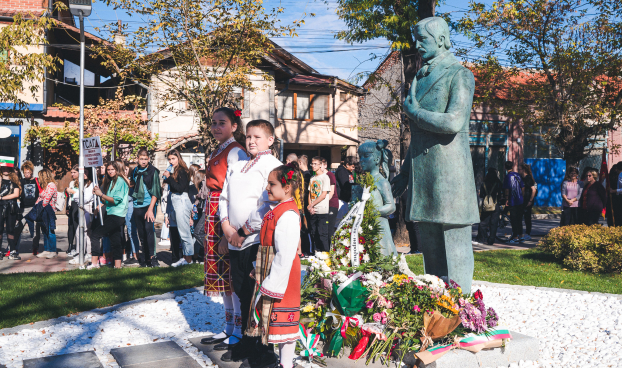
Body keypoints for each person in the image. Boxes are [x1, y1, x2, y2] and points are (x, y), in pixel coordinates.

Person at [219, 119, 280, 365]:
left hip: (256, 239)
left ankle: (262, 346)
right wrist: (226, 226)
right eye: (249, 137)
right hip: (233, 238)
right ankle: (246, 338)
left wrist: (243, 230)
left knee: (258, 293)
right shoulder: (239, 164)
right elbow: (225, 196)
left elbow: (268, 203)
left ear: (270, 140)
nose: (252, 141)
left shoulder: (273, 165)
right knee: (243, 291)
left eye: (257, 137)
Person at [200, 107, 249, 350]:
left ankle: (238, 329)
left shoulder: (236, 151)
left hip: (225, 213)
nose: (217, 127)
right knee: (222, 275)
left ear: (234, 126)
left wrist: (226, 226)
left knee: (230, 274)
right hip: (214, 210)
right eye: (214, 122)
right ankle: (228, 326)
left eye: (222, 123)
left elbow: (234, 191)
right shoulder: (220, 149)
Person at [245, 162, 302, 368]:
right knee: (274, 324)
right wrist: (258, 267)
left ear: (286, 187)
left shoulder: (287, 214)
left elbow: (285, 255)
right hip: (272, 272)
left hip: (282, 277)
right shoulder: (277, 209)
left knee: (283, 324)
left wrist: (271, 283)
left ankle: (286, 365)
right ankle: (283, 363)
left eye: (272, 184)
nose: (267, 188)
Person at [90, 161, 129, 269]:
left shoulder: (120, 181)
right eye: (108, 170)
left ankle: (94, 264)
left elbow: (115, 200)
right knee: (115, 240)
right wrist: (99, 194)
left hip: (117, 215)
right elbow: (108, 201)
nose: (110, 172)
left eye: (112, 169)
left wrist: (101, 194)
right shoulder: (112, 181)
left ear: (117, 170)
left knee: (95, 234)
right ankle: (117, 266)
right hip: (111, 213)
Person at [130, 150, 161, 267]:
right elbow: (133, 184)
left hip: (149, 205)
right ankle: (145, 258)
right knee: (141, 233)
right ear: (137, 159)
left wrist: (150, 209)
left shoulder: (153, 172)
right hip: (137, 204)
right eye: (141, 159)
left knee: (149, 230)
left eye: (145, 159)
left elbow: (156, 191)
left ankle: (153, 258)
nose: (143, 161)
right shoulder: (135, 171)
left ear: (149, 159)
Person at [163, 149, 193, 267]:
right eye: (169, 159)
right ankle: (185, 257)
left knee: (184, 231)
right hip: (176, 200)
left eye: (173, 159)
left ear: (178, 158)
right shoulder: (175, 170)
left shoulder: (182, 170)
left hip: (181, 199)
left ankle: (188, 259)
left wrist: (169, 177)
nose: (171, 161)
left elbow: (180, 188)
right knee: (180, 231)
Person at [308, 156, 331, 253]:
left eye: (315, 164)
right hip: (313, 210)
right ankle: (316, 253)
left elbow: (323, 194)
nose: (313, 166)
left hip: (322, 209)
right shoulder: (312, 178)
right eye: (312, 164)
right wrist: (310, 207)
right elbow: (310, 193)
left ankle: (326, 253)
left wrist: (312, 204)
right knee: (314, 233)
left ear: (321, 165)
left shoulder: (325, 177)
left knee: (322, 233)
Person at [33, 169, 57, 259]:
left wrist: (39, 208)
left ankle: (53, 250)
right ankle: (47, 249)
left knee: (50, 231)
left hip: (49, 212)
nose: (39, 179)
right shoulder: (45, 186)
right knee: (44, 231)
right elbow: (40, 198)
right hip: (42, 212)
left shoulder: (51, 185)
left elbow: (46, 199)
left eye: (40, 176)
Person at [475, 168, 503, 245]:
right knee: (493, 224)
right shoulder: (498, 182)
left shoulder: (484, 183)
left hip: (486, 205)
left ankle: (481, 239)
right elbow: (501, 192)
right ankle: (491, 240)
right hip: (495, 204)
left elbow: (481, 195)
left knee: (483, 223)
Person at [0, 164, 21, 260]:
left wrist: (2, 197)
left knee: (10, 229)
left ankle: (12, 251)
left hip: (11, 207)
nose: (5, 170)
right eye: (3, 168)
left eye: (7, 168)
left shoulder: (14, 180)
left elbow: (16, 194)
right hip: (0, 207)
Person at [17, 161, 39, 253]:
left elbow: (40, 193)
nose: (26, 174)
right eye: (25, 172)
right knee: (18, 228)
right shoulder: (21, 181)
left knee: (34, 229)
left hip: (34, 207)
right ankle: (14, 248)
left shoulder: (36, 180)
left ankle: (35, 248)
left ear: (32, 172)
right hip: (23, 208)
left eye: (28, 172)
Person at [502, 161, 524, 243]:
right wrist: (522, 197)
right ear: (512, 166)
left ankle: (515, 237)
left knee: (514, 219)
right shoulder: (518, 175)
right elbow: (523, 187)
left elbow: (507, 189)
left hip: (512, 200)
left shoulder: (508, 177)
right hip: (520, 200)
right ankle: (521, 235)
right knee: (519, 219)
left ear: (505, 167)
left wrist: (506, 199)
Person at [123, 162, 140, 263]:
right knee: (129, 232)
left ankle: (136, 255)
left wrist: (122, 176)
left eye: (126, 169)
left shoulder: (134, 179)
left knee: (132, 231)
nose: (124, 171)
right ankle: (131, 253)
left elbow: (130, 184)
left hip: (131, 205)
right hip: (125, 205)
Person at [335, 156, 355, 222]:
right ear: (347, 165)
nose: (353, 168)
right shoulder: (341, 171)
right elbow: (345, 184)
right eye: (352, 166)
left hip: (346, 200)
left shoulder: (348, 171)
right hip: (341, 199)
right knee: (339, 220)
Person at [520, 163, 537, 241]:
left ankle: (528, 233)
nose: (518, 171)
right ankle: (521, 234)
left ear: (523, 170)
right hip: (522, 200)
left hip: (527, 200)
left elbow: (533, 190)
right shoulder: (521, 178)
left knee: (527, 218)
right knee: (520, 217)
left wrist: (530, 200)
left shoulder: (528, 178)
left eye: (519, 169)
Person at [323, 158, 339, 238]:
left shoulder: (330, 175)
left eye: (320, 165)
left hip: (331, 204)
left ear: (325, 165)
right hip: (325, 205)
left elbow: (331, 192)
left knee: (330, 228)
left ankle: (331, 247)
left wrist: (323, 203)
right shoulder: (320, 176)